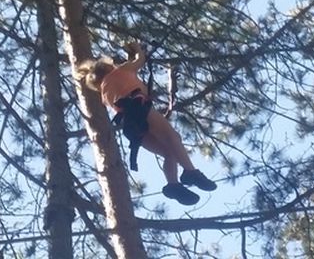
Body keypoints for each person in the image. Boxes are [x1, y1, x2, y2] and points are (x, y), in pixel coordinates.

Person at [83, 42, 217, 205]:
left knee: (169, 152)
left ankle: (173, 184)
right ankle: (190, 171)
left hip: (130, 126)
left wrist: (130, 59)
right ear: (109, 67)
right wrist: (138, 50)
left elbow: (127, 77)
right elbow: (139, 61)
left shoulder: (104, 93)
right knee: (172, 138)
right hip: (140, 110)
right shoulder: (122, 70)